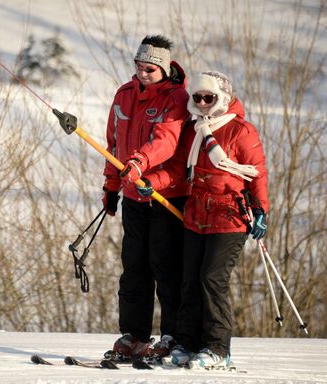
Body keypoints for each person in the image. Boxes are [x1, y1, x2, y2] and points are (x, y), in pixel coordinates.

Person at [135, 71, 269, 368]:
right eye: (197, 98)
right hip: (196, 215)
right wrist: (153, 182)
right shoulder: (193, 131)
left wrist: (261, 210)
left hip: (229, 216)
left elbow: (257, 173)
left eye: (209, 97)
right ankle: (187, 343)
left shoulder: (241, 131)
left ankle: (217, 349)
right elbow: (178, 171)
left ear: (222, 97)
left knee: (212, 279)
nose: (203, 103)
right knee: (189, 281)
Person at [101, 34, 190, 359]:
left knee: (165, 267)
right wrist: (111, 186)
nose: (142, 73)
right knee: (134, 268)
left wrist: (140, 163)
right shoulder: (123, 95)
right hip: (133, 199)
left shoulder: (176, 98)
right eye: (138, 67)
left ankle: (171, 336)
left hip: (166, 196)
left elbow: (166, 140)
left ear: (164, 69)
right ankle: (134, 336)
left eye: (149, 69)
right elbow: (113, 145)